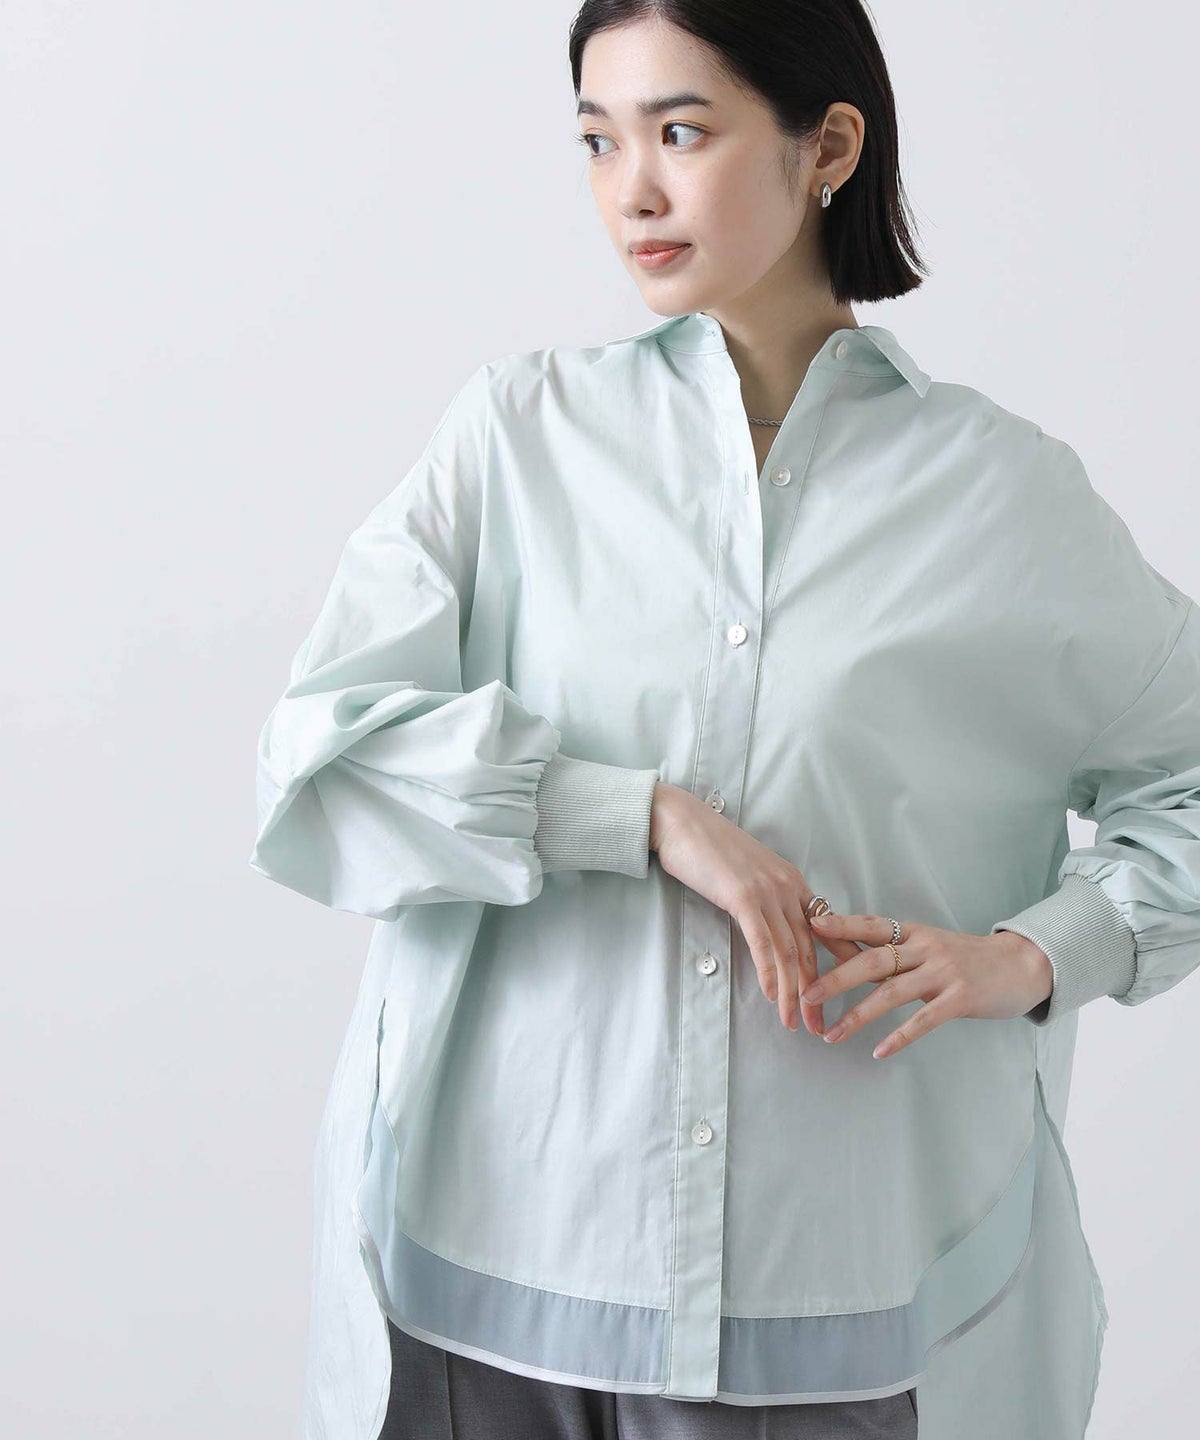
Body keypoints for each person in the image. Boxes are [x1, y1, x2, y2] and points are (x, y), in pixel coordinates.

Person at [248, 3, 1200, 1438]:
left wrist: (1033, 955)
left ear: (829, 147)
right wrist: (641, 817)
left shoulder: (1001, 497)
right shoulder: (516, 439)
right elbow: (320, 759)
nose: (631, 190)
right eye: (597, 141)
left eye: (680, 132)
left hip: (826, 1314)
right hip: (487, 1286)